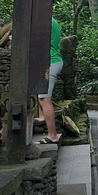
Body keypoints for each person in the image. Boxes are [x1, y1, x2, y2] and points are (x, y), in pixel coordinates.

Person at [36, 17, 63, 145]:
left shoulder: (45, 21)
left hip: (50, 61)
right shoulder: (51, 20)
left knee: (45, 99)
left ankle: (52, 135)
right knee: (39, 95)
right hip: (51, 60)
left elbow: (37, 42)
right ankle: (41, 117)